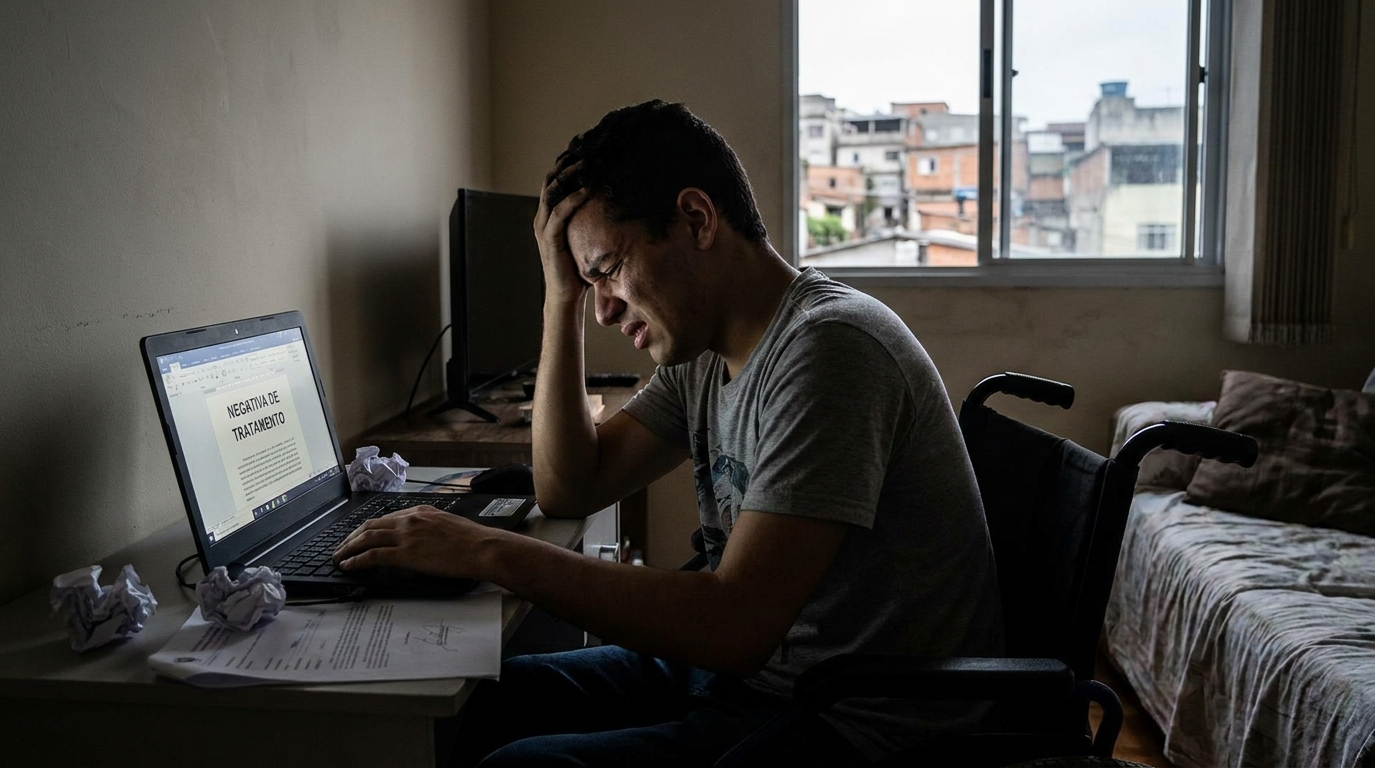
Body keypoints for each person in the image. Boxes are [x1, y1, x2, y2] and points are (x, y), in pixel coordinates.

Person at [334, 100, 1002, 766]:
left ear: (696, 219)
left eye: (608, 269)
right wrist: (558, 297)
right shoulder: (710, 354)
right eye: (588, 283)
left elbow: (737, 623)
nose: (603, 308)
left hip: (862, 723)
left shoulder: (832, 349)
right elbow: (571, 487)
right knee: (490, 703)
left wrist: (490, 553)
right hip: (761, 681)